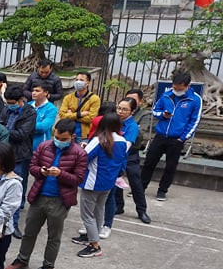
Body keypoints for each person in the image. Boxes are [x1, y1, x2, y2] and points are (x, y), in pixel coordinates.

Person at [5, 119, 88, 269]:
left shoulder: (80, 154)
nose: (59, 141)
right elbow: (32, 167)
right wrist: (41, 171)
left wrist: (61, 174)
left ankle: (48, 265)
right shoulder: (44, 146)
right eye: (56, 137)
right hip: (39, 196)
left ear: (72, 137)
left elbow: (78, 179)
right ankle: (22, 258)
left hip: (59, 200)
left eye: (63, 139)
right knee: (29, 232)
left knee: (53, 236)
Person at [72, 112, 129, 258]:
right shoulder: (122, 141)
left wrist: (82, 148)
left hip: (92, 182)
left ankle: (94, 245)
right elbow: (122, 161)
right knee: (98, 211)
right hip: (109, 182)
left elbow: (84, 157)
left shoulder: (99, 140)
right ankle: (92, 237)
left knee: (87, 215)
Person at [141, 69, 203, 201]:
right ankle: (140, 187)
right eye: (175, 87)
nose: (176, 90)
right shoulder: (166, 95)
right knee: (149, 162)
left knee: (170, 166)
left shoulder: (195, 99)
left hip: (177, 138)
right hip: (161, 135)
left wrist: (183, 138)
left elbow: (195, 120)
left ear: (187, 86)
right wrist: (162, 115)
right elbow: (155, 110)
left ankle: (162, 191)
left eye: (180, 89)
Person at [0, 85, 37, 237]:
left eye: (12, 103)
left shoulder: (30, 113)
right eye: (8, 102)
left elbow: (21, 134)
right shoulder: (6, 109)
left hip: (20, 155)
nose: (10, 105)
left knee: (16, 189)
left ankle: (13, 224)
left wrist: (3, 131)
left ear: (21, 100)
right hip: (3, 152)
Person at [110, 96, 149, 224]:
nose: (120, 112)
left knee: (135, 182)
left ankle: (142, 210)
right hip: (114, 155)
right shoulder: (113, 121)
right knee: (116, 181)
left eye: (124, 109)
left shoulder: (132, 126)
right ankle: (118, 206)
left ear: (132, 111)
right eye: (119, 108)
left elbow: (127, 145)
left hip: (129, 155)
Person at [57, 72, 100, 141]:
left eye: (81, 80)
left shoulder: (94, 99)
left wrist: (71, 115)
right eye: (77, 80)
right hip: (68, 134)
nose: (78, 82)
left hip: (84, 136)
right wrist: (79, 114)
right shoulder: (68, 97)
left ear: (88, 83)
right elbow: (62, 115)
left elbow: (91, 118)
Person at [29, 81, 58, 149]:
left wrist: (26, 125)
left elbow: (43, 127)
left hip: (41, 147)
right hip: (26, 146)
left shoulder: (51, 109)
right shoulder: (28, 105)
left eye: (37, 91)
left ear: (45, 93)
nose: (33, 93)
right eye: (33, 90)